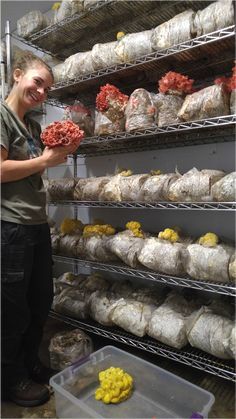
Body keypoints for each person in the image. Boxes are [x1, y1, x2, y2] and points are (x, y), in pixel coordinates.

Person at [1, 51, 77, 407]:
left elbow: (31, 171)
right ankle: (10, 379)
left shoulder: (31, 127)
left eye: (47, 88)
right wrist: (46, 160)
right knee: (12, 310)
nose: (42, 92)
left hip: (36, 225)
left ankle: (30, 364)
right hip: (11, 227)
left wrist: (56, 152)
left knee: (39, 302)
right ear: (17, 75)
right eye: (37, 82)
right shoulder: (1, 117)